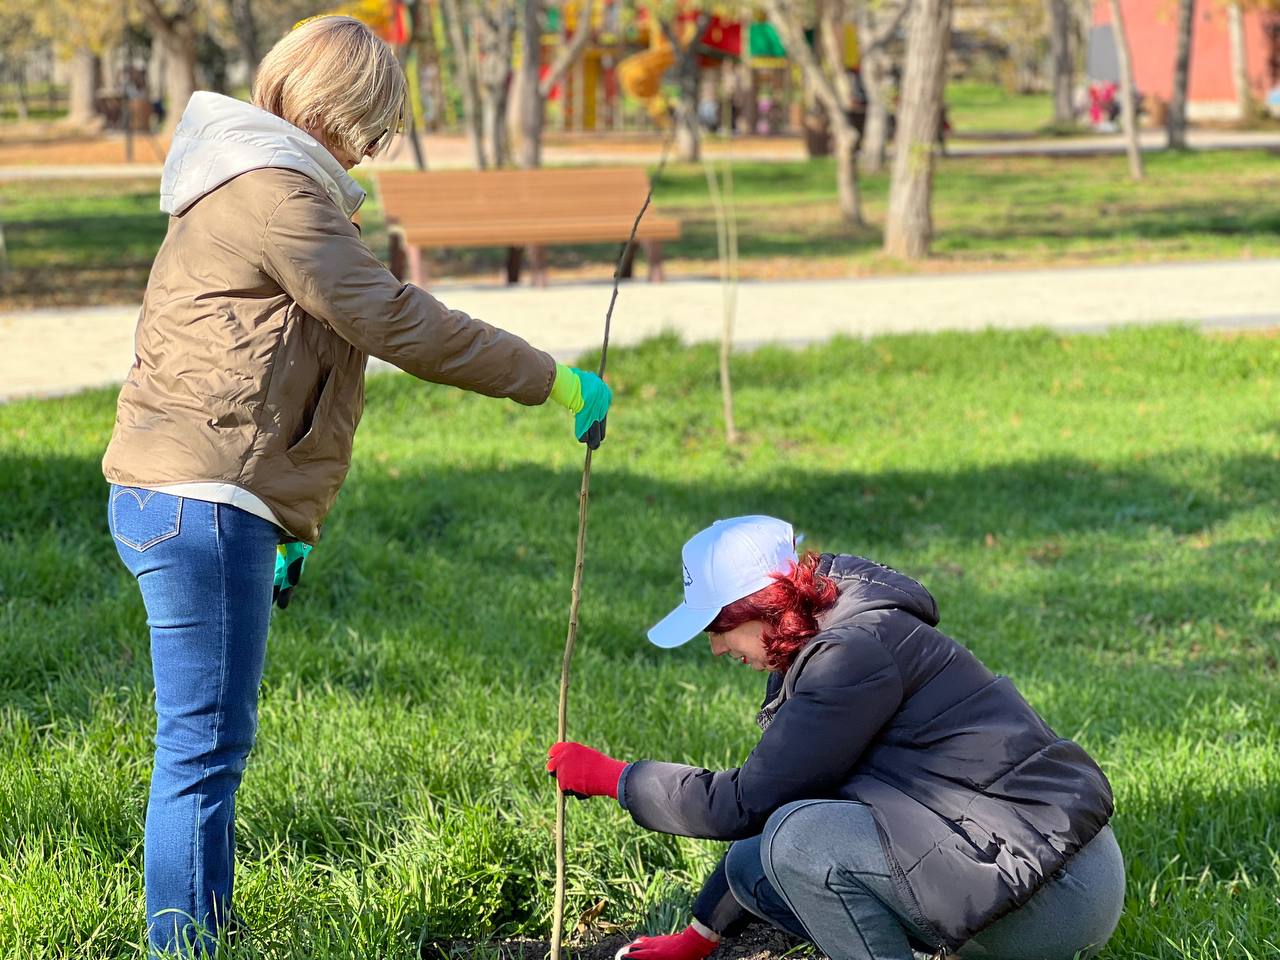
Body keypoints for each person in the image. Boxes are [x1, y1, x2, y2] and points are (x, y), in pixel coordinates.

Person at [102, 16, 610, 956]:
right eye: (370, 127)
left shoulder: (247, 175)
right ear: (335, 108)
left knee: (208, 744)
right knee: (201, 751)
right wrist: (549, 376)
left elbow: (297, 372)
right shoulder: (275, 190)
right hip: (204, 501)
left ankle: (204, 926)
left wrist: (289, 523)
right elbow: (389, 319)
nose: (370, 149)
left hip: (196, 494)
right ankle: (184, 946)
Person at [547, 516, 1124, 960]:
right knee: (772, 848)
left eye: (718, 627)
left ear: (761, 607)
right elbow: (765, 809)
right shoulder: (830, 638)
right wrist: (699, 940)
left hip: (1057, 899)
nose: (717, 648)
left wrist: (616, 778)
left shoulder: (851, 656)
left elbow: (744, 803)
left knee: (798, 841)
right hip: (1019, 873)